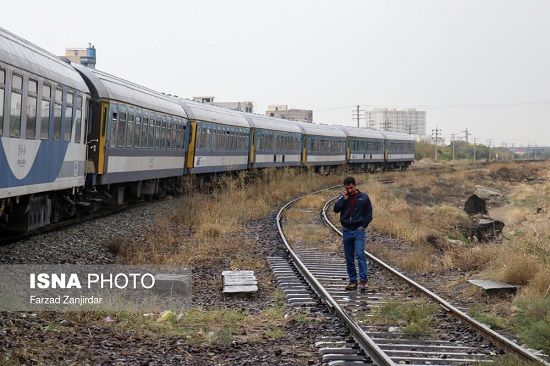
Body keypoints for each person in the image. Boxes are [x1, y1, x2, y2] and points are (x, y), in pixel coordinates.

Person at [333, 176, 372, 291]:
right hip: (347, 231)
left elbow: (368, 214)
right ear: (344, 188)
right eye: (347, 188)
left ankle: (363, 280)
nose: (349, 190)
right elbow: (336, 209)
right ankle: (353, 281)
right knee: (349, 258)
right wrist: (343, 199)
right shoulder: (343, 198)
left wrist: (363, 226)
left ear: (355, 186)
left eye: (351, 188)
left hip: (358, 231)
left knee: (360, 254)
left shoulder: (363, 197)